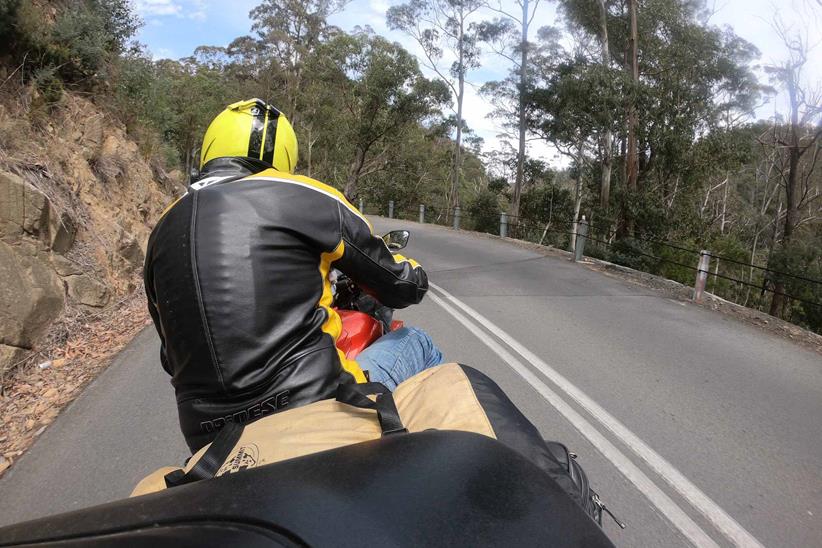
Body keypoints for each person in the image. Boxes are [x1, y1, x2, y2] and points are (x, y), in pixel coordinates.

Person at [144, 99, 443, 452]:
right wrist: (415, 273)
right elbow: (398, 284)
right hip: (314, 403)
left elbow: (170, 357)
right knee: (418, 342)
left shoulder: (161, 231)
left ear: (212, 147)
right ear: (284, 155)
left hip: (206, 438)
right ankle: (437, 461)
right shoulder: (303, 194)